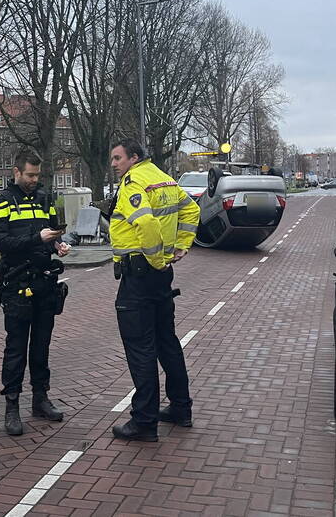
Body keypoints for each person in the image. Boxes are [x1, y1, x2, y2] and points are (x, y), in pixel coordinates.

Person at [108, 138, 200, 442]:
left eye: (118, 158)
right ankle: (181, 408)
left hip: (140, 274)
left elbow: (146, 223)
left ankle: (144, 421)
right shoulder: (165, 179)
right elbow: (191, 210)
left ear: (133, 158)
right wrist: (181, 246)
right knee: (166, 342)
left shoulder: (133, 183)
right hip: (161, 276)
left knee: (140, 347)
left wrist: (156, 259)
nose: (114, 164)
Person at [0, 149, 70, 435]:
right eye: (30, 175)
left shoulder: (45, 198)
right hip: (17, 284)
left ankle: (40, 399)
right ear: (17, 172)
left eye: (37, 175)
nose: (35, 180)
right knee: (16, 348)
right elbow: (2, 243)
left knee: (41, 344)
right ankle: (12, 407)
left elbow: (51, 233)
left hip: (44, 282)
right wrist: (37, 238)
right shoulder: (1, 202)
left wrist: (57, 245)